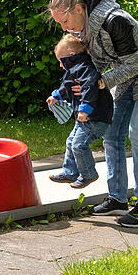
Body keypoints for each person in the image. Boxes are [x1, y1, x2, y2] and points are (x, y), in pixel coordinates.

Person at [48, 0, 138, 227]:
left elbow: (136, 64)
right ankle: (118, 199)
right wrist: (79, 86)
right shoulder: (83, 29)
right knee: (111, 134)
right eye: (59, 23)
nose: (64, 27)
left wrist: (100, 82)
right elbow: (95, 64)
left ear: (79, 8)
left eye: (65, 20)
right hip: (128, 75)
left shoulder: (115, 21)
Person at [46, 33, 113, 189]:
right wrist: (56, 95)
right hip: (85, 118)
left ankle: (88, 174)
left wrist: (85, 110)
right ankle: (70, 172)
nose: (61, 66)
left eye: (61, 62)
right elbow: (68, 86)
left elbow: (90, 87)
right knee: (70, 142)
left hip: (96, 117)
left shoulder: (85, 68)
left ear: (71, 56)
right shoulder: (74, 69)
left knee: (78, 145)